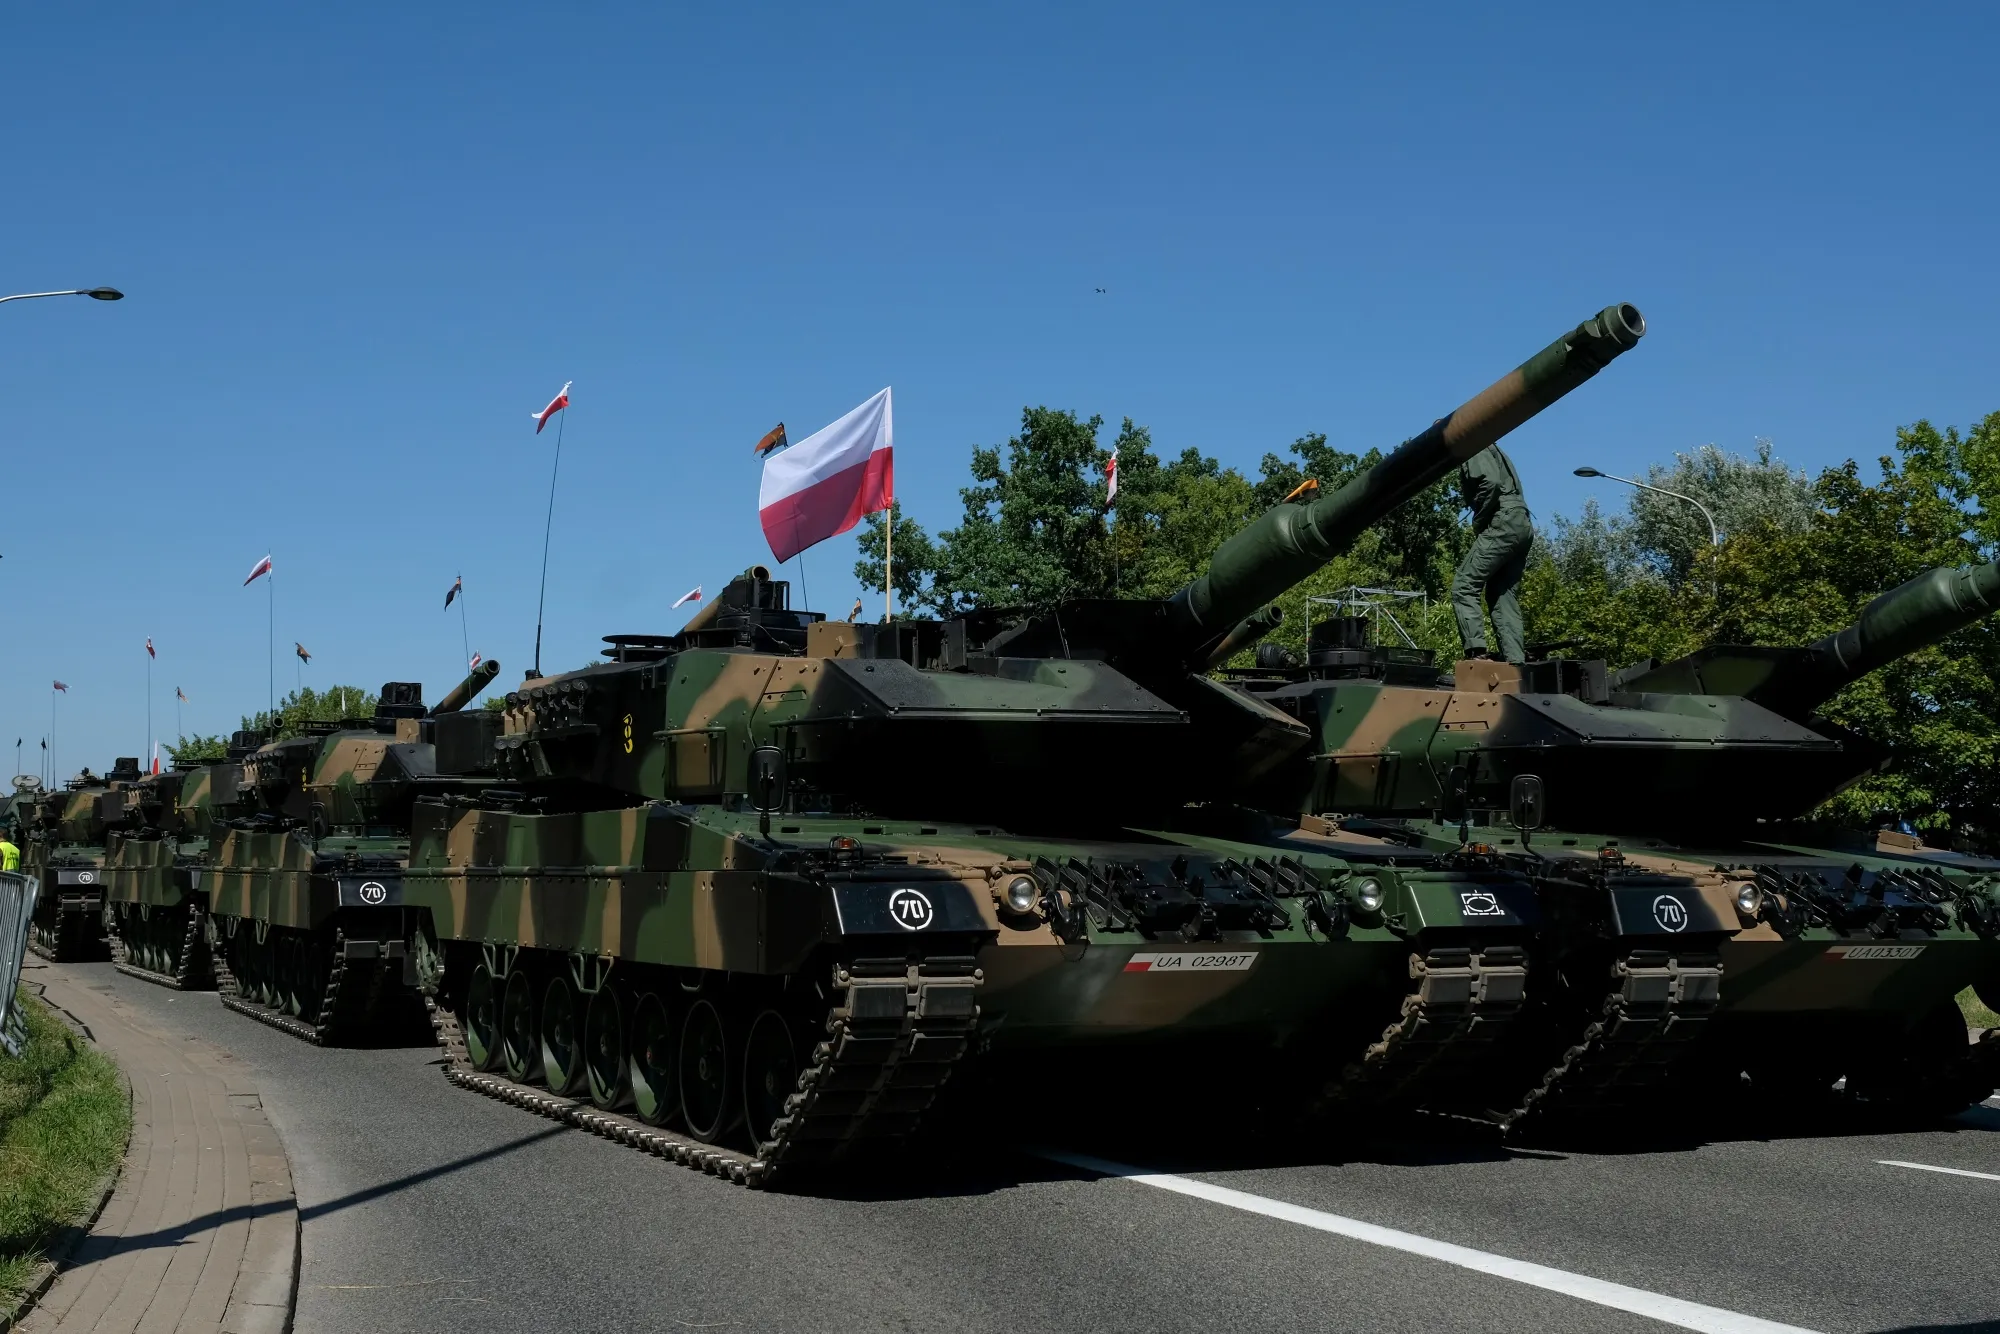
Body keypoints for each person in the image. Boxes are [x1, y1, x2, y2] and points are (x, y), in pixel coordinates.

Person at [1452, 444, 1533, 662]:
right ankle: (1515, 661)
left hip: (1503, 520)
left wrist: (1479, 521)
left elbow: (1491, 483)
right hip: (1521, 522)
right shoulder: (1492, 446)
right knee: (1502, 593)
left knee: (1464, 585)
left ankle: (1476, 653)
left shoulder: (1473, 444)